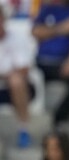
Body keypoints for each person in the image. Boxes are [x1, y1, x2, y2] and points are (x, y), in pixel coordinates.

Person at [0, 6, 35, 148]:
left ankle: (23, 129)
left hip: (15, 87)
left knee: (16, 81)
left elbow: (23, 69)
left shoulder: (17, 38)